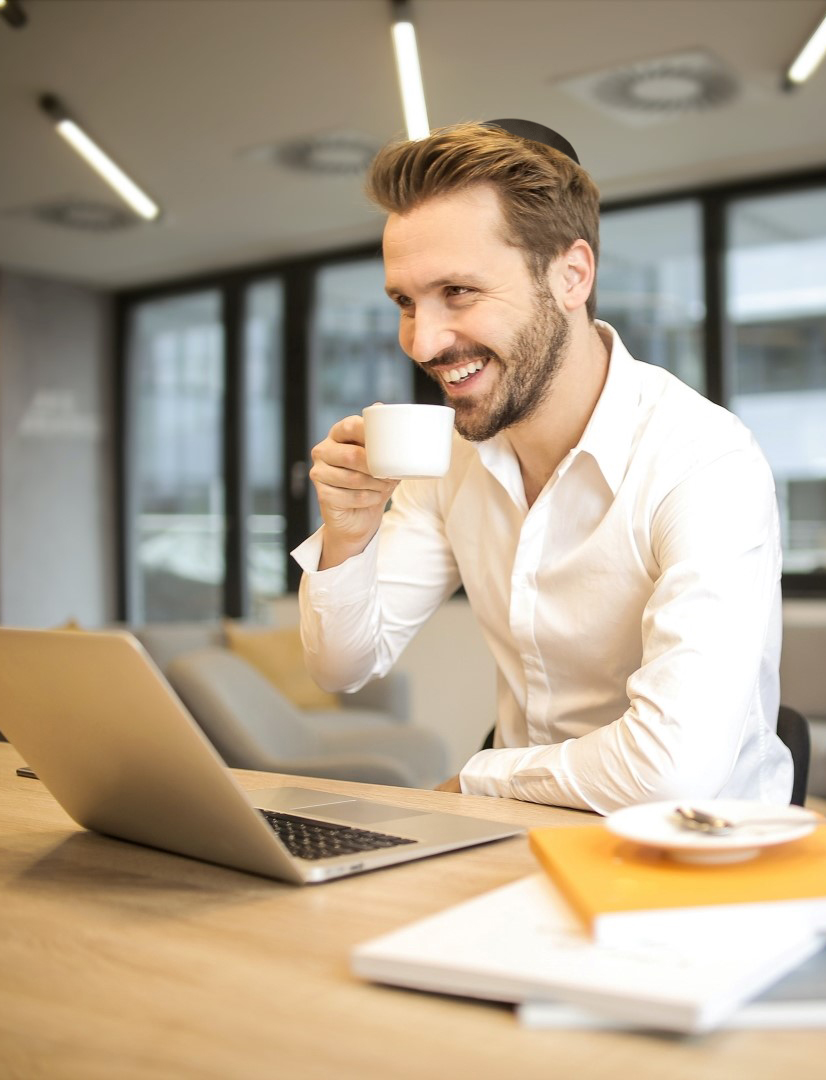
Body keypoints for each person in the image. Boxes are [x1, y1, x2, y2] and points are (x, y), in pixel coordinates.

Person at [291, 120, 791, 814]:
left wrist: (477, 778)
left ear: (570, 275)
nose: (423, 341)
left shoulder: (704, 459)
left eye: (457, 292)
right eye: (406, 303)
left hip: (694, 854)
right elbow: (342, 666)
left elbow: (671, 770)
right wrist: (348, 535)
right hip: (519, 840)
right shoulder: (453, 460)